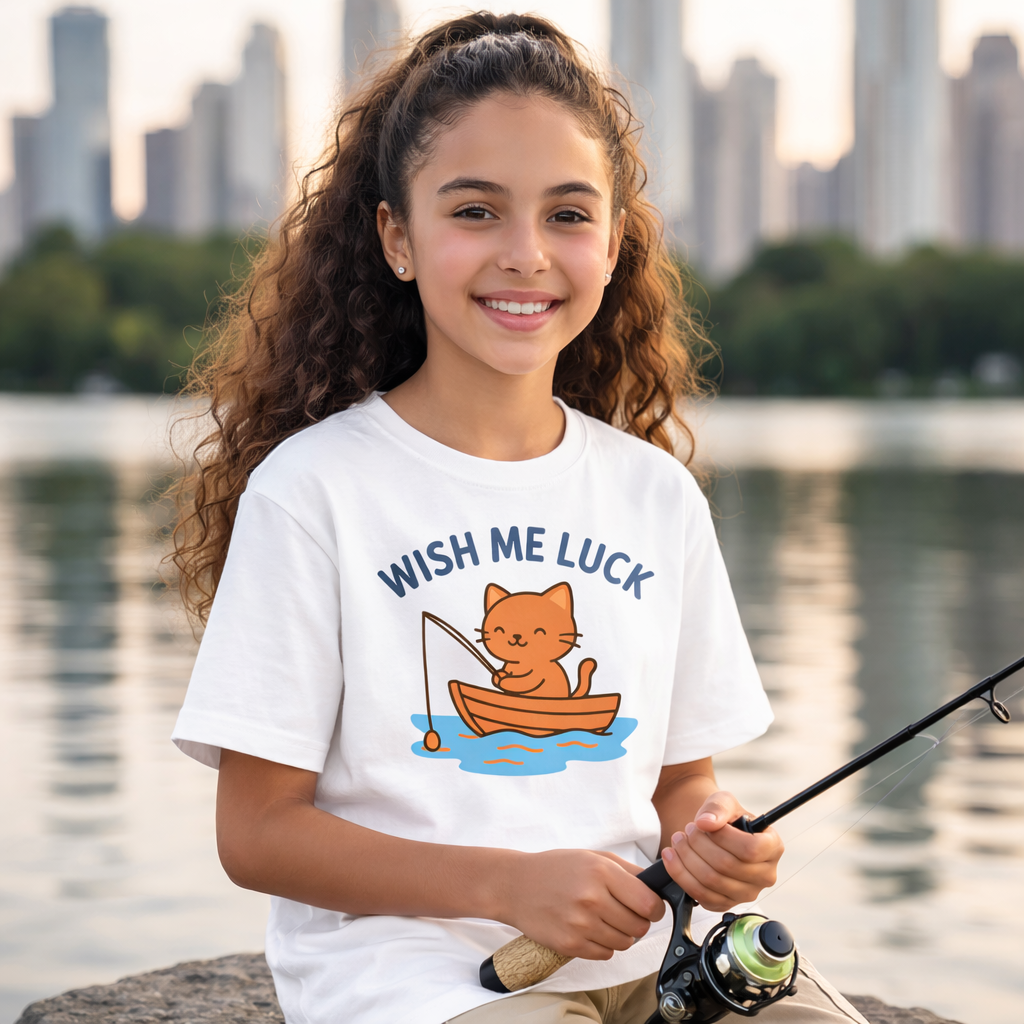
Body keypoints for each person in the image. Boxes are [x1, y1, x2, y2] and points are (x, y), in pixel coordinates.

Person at [170, 13, 869, 1024]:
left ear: (614, 242)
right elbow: (258, 834)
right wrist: (506, 885)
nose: (525, 254)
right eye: (476, 211)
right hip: (410, 981)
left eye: (568, 215)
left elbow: (682, 780)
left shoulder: (653, 493)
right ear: (396, 237)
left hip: (645, 968)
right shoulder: (313, 489)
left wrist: (716, 834)